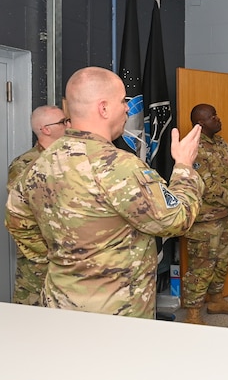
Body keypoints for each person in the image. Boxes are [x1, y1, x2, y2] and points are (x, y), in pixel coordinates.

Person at [5, 66, 204, 318]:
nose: (127, 109)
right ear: (104, 108)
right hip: (116, 313)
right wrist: (184, 167)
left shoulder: (37, 164)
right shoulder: (118, 166)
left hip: (59, 305)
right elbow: (176, 220)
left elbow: (17, 222)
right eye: (123, 101)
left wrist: (64, 263)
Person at [182, 103, 228, 324]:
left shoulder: (220, 142)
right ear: (201, 123)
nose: (218, 119)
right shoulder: (193, 147)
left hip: (225, 217)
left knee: (221, 263)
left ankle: (216, 300)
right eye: (213, 117)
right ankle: (193, 314)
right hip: (204, 221)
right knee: (201, 267)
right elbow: (206, 185)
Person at [6, 105, 70, 305]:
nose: (68, 125)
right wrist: (46, 254)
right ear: (46, 129)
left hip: (71, 261)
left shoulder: (70, 161)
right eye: (62, 122)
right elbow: (20, 217)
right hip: (39, 265)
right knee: (32, 322)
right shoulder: (25, 165)